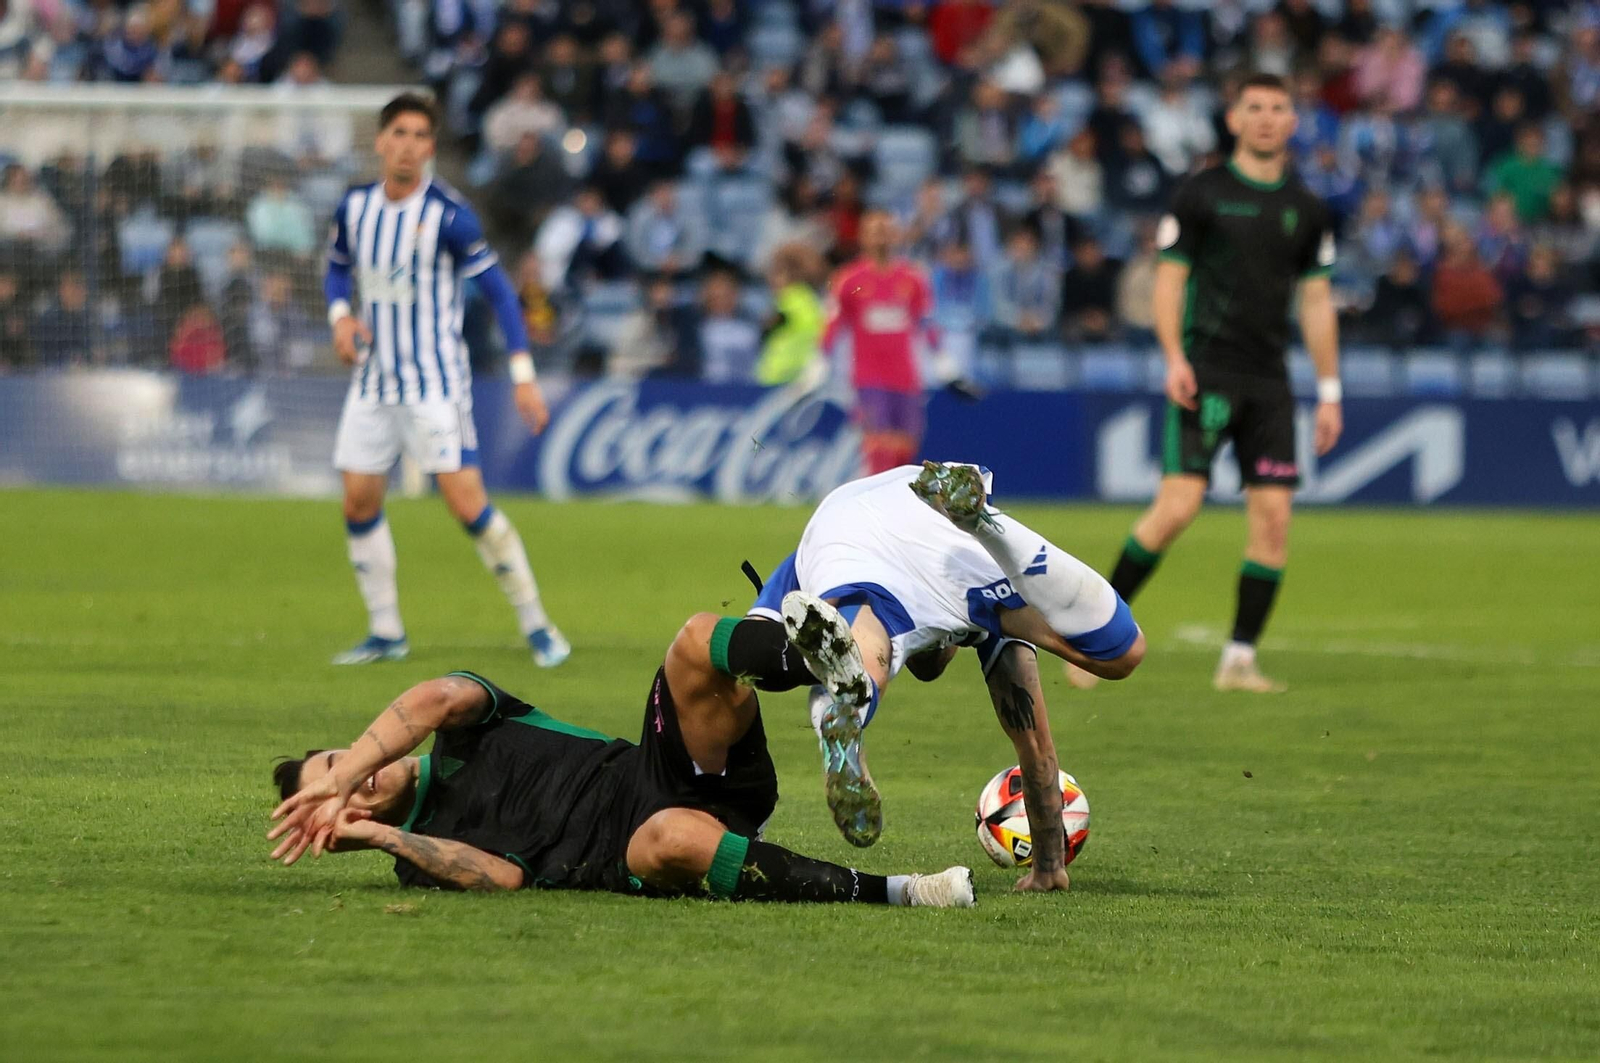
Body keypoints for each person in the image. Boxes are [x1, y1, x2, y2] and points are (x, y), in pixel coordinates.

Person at [266, 606, 975, 908]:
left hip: (659, 767)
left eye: (341, 764)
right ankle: (902, 890)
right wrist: (384, 836)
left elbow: (438, 694)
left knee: (693, 639)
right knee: (669, 836)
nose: (354, 780)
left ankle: (832, 668)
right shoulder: (415, 857)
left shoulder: (465, 729)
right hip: (633, 848)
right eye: (339, 796)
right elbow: (503, 878)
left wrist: (344, 776)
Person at [746, 461, 1145, 865]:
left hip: (845, 520)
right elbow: (1035, 748)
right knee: (1121, 655)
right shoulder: (979, 625)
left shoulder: (816, 557)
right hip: (942, 529)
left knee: (864, 649)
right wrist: (1048, 864)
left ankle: (847, 704)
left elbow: (749, 642)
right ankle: (984, 524)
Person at [1094, 72, 1343, 695]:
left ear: (1292, 122)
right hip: (1205, 374)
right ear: (1233, 119)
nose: (1266, 117)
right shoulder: (1202, 194)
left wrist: (1330, 390)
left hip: (1271, 384)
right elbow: (1170, 280)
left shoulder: (1308, 210)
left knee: (1274, 521)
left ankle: (1238, 660)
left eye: (1278, 108)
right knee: (1177, 509)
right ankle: (1089, 635)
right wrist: (1173, 357)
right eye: (1254, 107)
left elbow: (1316, 303)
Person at [323, 93, 569, 668]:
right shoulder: (355, 207)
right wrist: (340, 318)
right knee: (358, 501)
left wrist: (523, 376)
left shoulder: (450, 216)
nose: (408, 146)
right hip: (373, 382)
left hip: (434, 384)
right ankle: (386, 632)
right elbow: (337, 268)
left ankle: (538, 624)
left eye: (419, 136)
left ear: (431, 147)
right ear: (381, 141)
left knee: (467, 504)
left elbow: (502, 295)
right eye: (399, 134)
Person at [821, 210, 939, 475]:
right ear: (863, 237)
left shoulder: (913, 279)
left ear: (896, 235)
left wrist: (942, 359)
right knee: (879, 445)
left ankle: (898, 499)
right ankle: (876, 497)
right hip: (869, 376)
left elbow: (927, 322)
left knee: (906, 448)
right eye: (875, 231)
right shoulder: (849, 279)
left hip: (905, 376)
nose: (881, 237)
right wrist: (820, 359)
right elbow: (833, 322)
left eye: (886, 230)